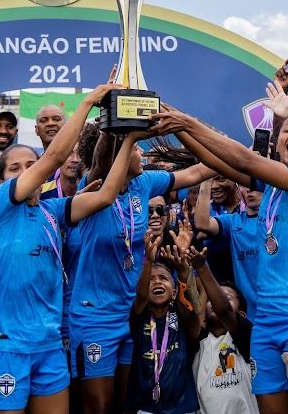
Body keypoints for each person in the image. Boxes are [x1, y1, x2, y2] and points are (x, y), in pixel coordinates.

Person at [152, 105, 288, 414]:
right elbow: (217, 163)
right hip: (265, 323)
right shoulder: (269, 188)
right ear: (278, 144)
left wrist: (187, 120)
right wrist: (178, 129)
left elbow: (245, 159)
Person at [0, 84, 140, 414]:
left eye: (30, 165)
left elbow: (107, 195)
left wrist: (131, 140)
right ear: (0, 180)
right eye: (15, 169)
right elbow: (54, 156)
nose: (26, 173)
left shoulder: (53, 211)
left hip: (49, 347)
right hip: (8, 346)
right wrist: (89, 102)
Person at [69, 133, 216, 414]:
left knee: (128, 404)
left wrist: (244, 157)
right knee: (99, 407)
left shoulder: (144, 182)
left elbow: (196, 172)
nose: (141, 153)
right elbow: (102, 163)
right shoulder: (93, 186)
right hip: (95, 316)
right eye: (135, 147)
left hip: (134, 313)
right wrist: (113, 131)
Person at [124, 225, 201, 414]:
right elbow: (141, 297)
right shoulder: (140, 318)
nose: (157, 282)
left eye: (164, 278)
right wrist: (149, 261)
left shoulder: (182, 317)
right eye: (151, 279)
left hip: (183, 408)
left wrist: (183, 271)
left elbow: (192, 307)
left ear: (174, 292)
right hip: (146, 408)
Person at [186, 246, 258, 414]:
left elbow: (224, 311)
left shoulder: (247, 337)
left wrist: (202, 267)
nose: (216, 302)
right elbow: (195, 314)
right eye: (211, 299)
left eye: (228, 298)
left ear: (241, 314)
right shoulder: (199, 342)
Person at [194, 179, 262, 322]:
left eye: (257, 183)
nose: (250, 189)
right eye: (244, 184)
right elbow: (202, 223)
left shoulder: (282, 220)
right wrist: (206, 178)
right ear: (238, 189)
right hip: (248, 318)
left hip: (283, 313)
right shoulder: (233, 222)